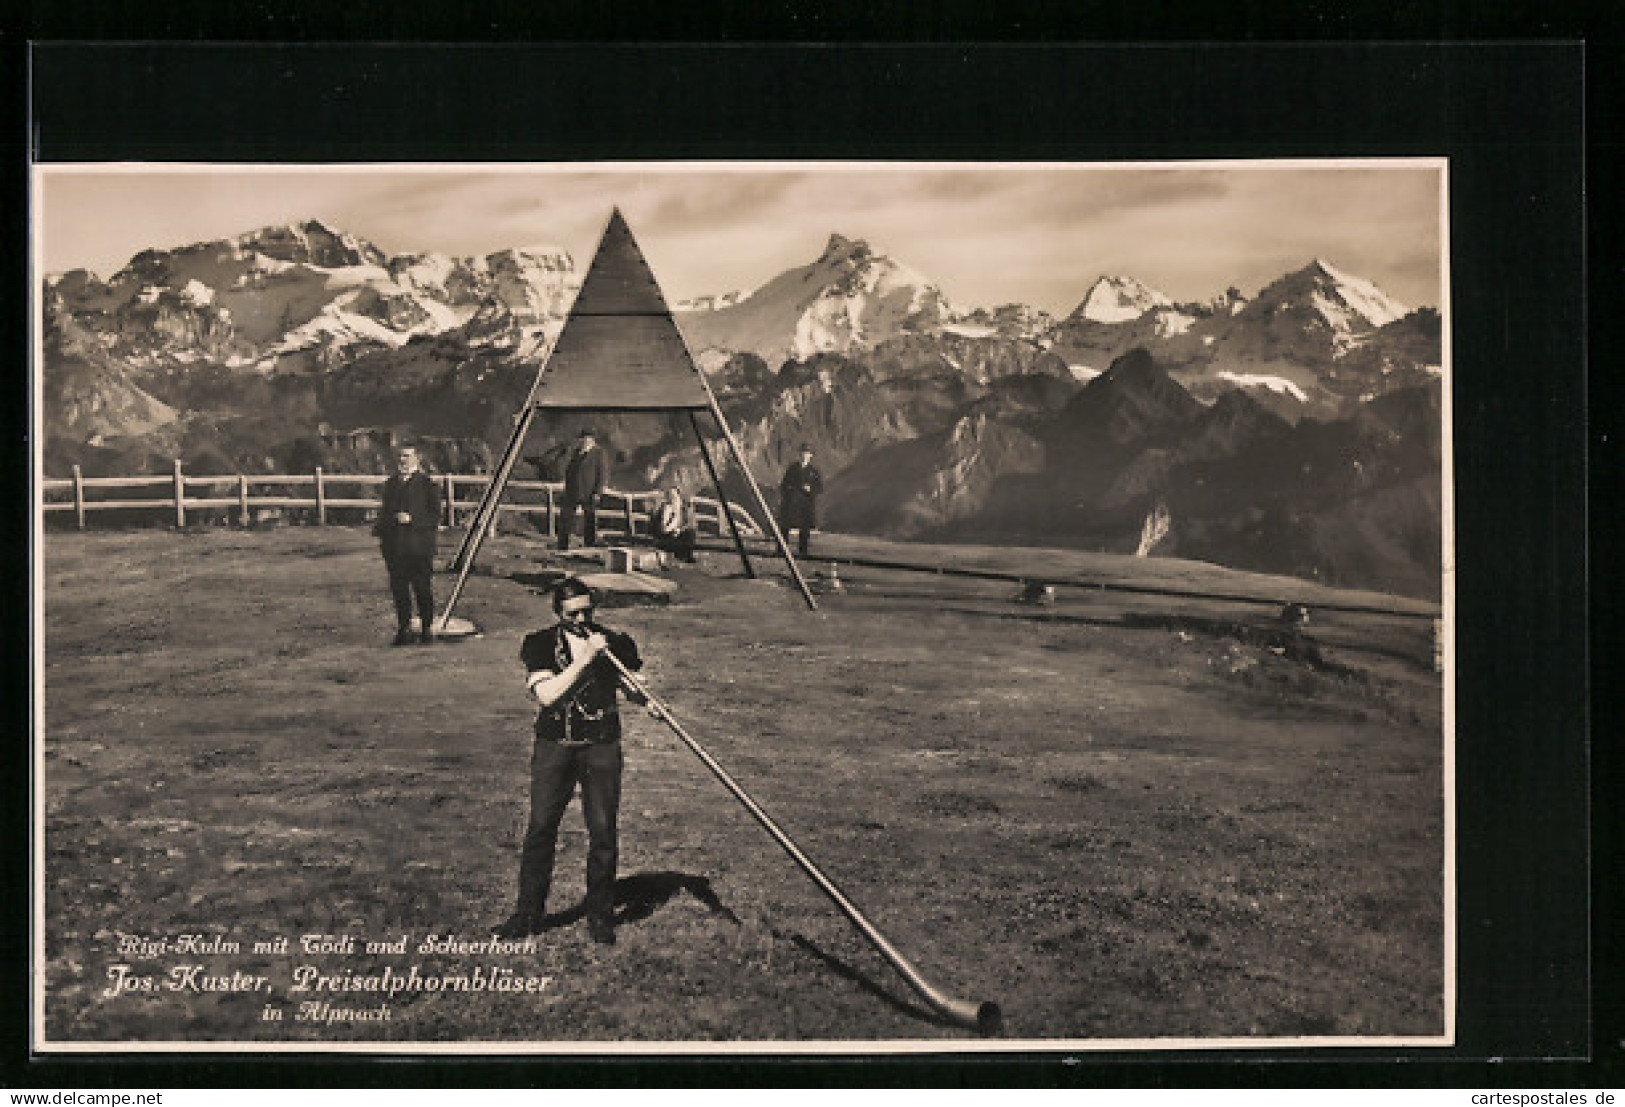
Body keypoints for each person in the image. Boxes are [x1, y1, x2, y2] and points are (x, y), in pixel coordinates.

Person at [497, 578, 645, 945]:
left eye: (587, 611)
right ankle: (528, 914)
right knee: (541, 827)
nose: (582, 619)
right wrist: (584, 659)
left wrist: (643, 694)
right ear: (558, 613)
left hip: (601, 747)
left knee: (603, 831)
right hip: (555, 746)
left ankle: (600, 915)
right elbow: (547, 694)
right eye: (573, 613)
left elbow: (633, 686)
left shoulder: (616, 642)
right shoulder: (540, 644)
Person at [374, 443, 441, 646]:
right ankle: (404, 629)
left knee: (422, 589)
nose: (402, 460)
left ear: (417, 459)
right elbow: (384, 514)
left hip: (419, 548)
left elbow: (435, 517)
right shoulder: (390, 484)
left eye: (407, 456)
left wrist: (413, 519)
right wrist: (385, 531)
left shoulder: (428, 484)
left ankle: (427, 628)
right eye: (400, 456)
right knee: (400, 591)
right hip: (396, 549)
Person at [558, 428, 607, 550]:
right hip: (573, 490)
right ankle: (562, 544)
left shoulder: (598, 453)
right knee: (566, 517)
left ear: (592, 439)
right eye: (582, 438)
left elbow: (602, 474)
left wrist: (597, 492)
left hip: (589, 491)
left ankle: (589, 544)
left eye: (587, 438)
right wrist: (567, 487)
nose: (584, 441)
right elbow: (570, 470)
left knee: (589, 518)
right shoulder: (577, 452)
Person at [778, 443, 824, 557]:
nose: (804, 456)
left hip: (806, 503)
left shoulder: (813, 471)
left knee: (805, 527)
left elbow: (820, 488)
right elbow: (784, 485)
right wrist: (790, 491)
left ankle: (803, 551)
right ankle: (781, 549)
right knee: (785, 525)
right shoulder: (792, 469)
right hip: (792, 502)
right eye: (802, 453)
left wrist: (810, 489)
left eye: (807, 453)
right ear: (799, 454)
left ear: (811, 456)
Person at [649, 485, 698, 566]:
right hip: (667, 535)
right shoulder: (665, 508)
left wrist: (679, 530)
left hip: (680, 533)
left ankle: (686, 555)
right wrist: (668, 527)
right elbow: (659, 526)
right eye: (670, 496)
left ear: (679, 496)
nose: (672, 498)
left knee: (690, 532)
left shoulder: (684, 508)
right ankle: (677, 554)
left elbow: (689, 523)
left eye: (674, 495)